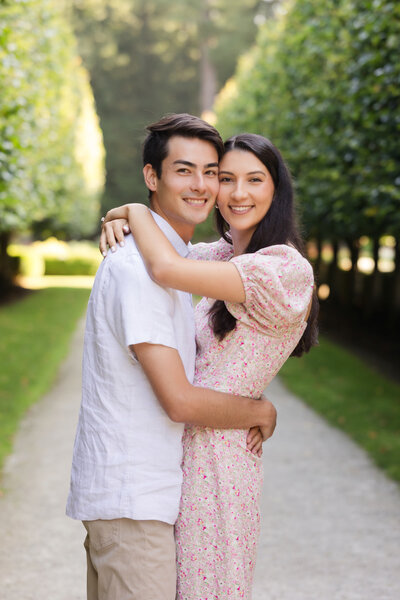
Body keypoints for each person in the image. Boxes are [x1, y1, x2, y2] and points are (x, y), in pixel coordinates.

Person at [66, 115, 277, 600]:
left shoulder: (175, 261)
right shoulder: (142, 270)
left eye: (212, 172)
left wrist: (129, 212)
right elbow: (179, 401)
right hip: (132, 504)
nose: (201, 186)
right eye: (184, 170)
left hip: (135, 501)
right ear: (151, 177)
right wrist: (260, 411)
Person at [101, 132, 319, 599]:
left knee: (208, 587)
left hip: (218, 462)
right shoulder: (226, 255)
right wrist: (118, 216)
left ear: (276, 190)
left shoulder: (283, 269)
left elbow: (165, 269)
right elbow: (163, 250)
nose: (238, 193)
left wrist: (135, 210)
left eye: (255, 180)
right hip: (179, 453)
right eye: (226, 178)